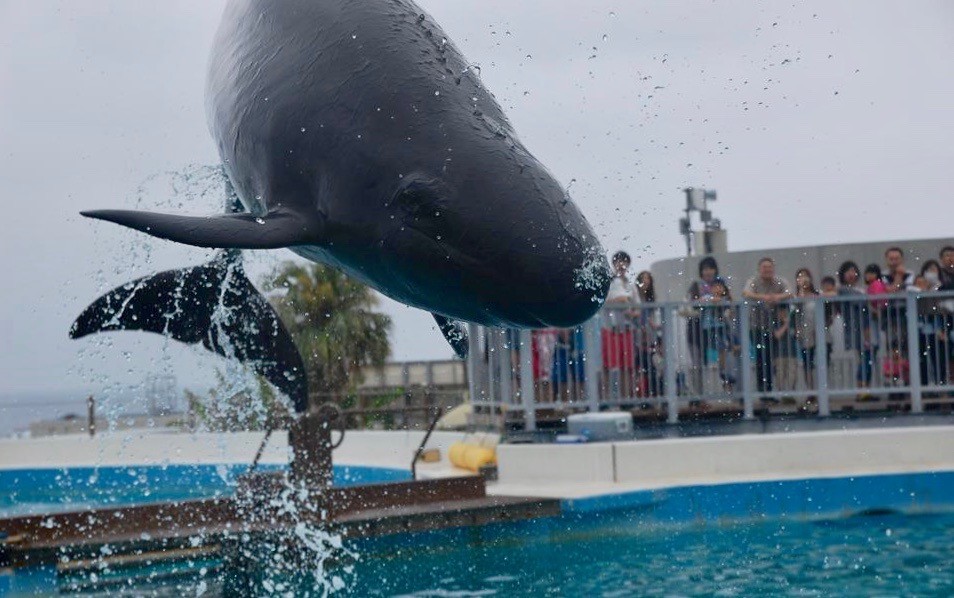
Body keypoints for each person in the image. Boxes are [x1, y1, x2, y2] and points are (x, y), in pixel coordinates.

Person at [742, 258, 792, 394]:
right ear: (759, 269)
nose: (767, 270)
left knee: (771, 359)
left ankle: (768, 390)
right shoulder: (753, 281)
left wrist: (777, 297)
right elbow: (746, 293)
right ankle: (763, 391)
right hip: (756, 326)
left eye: (770, 267)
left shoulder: (779, 281)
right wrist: (763, 297)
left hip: (773, 326)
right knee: (761, 358)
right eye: (764, 267)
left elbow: (790, 292)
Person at [602, 251, 638, 399]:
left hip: (627, 330)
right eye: (618, 262)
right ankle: (606, 399)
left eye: (624, 262)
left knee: (627, 366)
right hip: (610, 329)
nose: (621, 265)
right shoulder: (608, 283)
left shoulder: (631, 285)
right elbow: (602, 302)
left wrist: (632, 313)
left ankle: (626, 398)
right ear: (614, 264)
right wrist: (619, 301)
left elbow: (638, 308)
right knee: (608, 365)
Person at [838, 261, 874, 395]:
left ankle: (865, 389)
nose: (851, 274)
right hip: (856, 328)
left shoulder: (861, 289)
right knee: (864, 357)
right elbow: (860, 300)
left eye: (853, 271)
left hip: (867, 326)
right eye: (848, 271)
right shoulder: (843, 289)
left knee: (868, 358)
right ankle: (862, 390)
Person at [686, 257, 721, 392]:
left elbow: (727, 300)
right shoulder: (696, 285)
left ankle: (721, 391)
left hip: (713, 330)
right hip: (695, 329)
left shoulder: (719, 284)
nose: (708, 272)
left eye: (710, 268)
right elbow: (690, 304)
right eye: (705, 269)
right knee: (697, 363)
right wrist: (707, 300)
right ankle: (697, 395)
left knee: (714, 362)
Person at [790, 267, 819, 390]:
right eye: (800, 276)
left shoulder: (817, 295)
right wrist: (801, 289)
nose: (803, 279)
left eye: (806, 276)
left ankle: (822, 390)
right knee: (807, 363)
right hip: (804, 335)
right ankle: (810, 390)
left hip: (818, 333)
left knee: (820, 362)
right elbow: (795, 310)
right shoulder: (795, 297)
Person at [772, 304, 800, 400]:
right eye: (780, 312)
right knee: (780, 375)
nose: (782, 314)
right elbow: (778, 335)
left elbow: (797, 335)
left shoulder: (793, 322)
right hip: (779, 354)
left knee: (792, 374)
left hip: (792, 353)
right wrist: (785, 324)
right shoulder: (775, 323)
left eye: (784, 311)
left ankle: (791, 395)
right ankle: (781, 396)